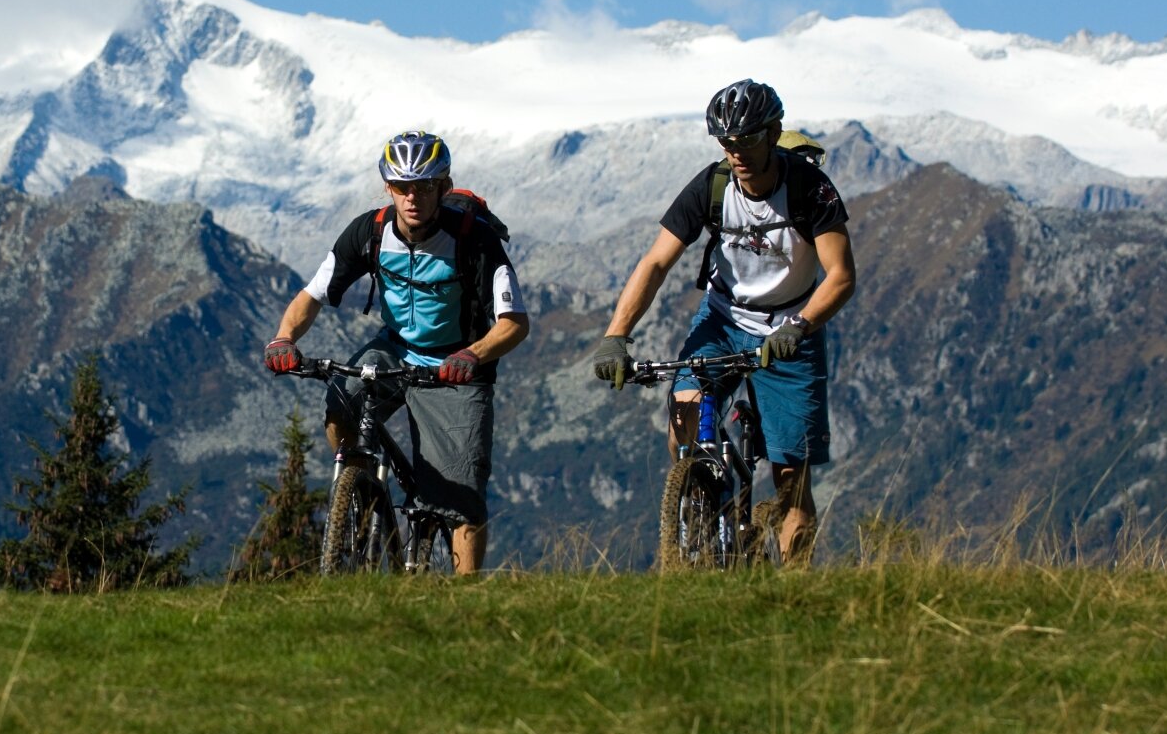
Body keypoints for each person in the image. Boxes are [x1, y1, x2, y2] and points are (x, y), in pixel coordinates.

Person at [592, 80, 856, 563]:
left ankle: (795, 592)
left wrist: (798, 327)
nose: (735, 152)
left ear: (774, 132)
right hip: (723, 319)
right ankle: (710, 502)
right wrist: (616, 336)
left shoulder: (807, 188)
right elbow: (655, 264)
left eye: (747, 139)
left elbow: (840, 277)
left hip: (792, 326)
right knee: (684, 418)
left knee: (791, 482)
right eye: (726, 142)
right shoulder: (711, 186)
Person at [263, 130, 530, 575]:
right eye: (402, 186)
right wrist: (284, 339)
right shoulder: (369, 231)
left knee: (460, 494)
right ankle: (360, 488)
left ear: (443, 186)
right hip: (394, 348)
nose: (413, 197)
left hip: (457, 364)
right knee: (340, 407)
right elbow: (312, 294)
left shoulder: (474, 240)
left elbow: (514, 323)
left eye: (424, 186)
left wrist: (473, 355)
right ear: (388, 186)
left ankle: (465, 603)